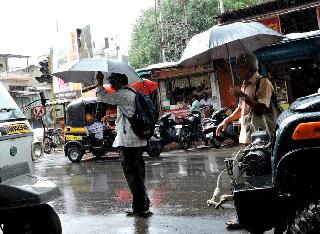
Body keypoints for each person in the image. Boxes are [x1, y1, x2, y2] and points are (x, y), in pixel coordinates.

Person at [216, 53, 275, 230]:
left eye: (239, 67)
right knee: (242, 179)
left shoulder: (262, 83)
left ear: (248, 67)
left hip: (261, 139)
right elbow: (242, 109)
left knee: (258, 180)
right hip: (247, 138)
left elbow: (262, 107)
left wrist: (243, 94)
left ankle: (257, 217)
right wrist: (225, 121)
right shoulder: (244, 85)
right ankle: (246, 216)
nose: (236, 71)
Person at [95, 71, 150, 215]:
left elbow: (102, 97)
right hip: (137, 139)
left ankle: (140, 207)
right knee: (138, 174)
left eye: (112, 80)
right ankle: (143, 203)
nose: (111, 84)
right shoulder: (132, 91)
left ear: (120, 80)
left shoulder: (123, 94)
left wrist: (100, 83)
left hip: (128, 142)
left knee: (132, 175)